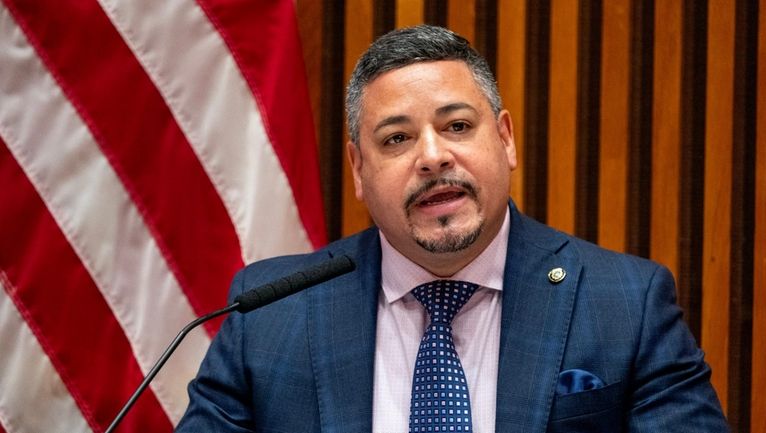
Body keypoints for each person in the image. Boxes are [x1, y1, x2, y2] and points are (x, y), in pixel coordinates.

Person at [176, 25, 728, 432]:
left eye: (457, 126)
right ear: (358, 170)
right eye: (397, 139)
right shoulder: (269, 316)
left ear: (506, 139)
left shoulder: (627, 304)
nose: (433, 156)